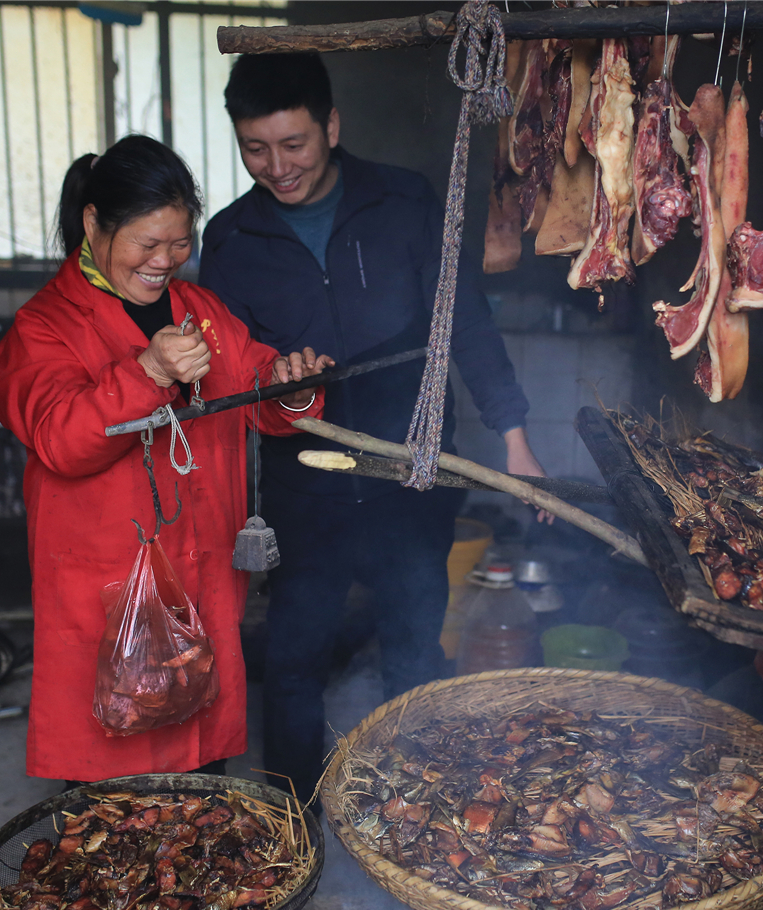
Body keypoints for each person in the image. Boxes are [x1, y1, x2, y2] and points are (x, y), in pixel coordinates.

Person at [199, 53, 548, 802]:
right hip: (304, 485)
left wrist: (514, 434)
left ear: (331, 124)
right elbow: (226, 375)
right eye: (254, 149)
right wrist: (273, 377)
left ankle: (414, 811)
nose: (277, 167)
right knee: (294, 659)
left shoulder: (404, 202)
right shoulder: (232, 241)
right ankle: (296, 822)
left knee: (414, 646)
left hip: (409, 475)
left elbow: (466, 322)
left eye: (293, 144)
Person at [0, 135, 333, 782]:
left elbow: (257, 394)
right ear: (94, 223)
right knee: (112, 798)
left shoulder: (200, 313)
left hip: (199, 584)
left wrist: (292, 385)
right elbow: (61, 439)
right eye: (148, 244)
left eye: (179, 244)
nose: (165, 261)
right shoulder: (45, 328)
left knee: (204, 787)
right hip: (109, 598)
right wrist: (146, 370)